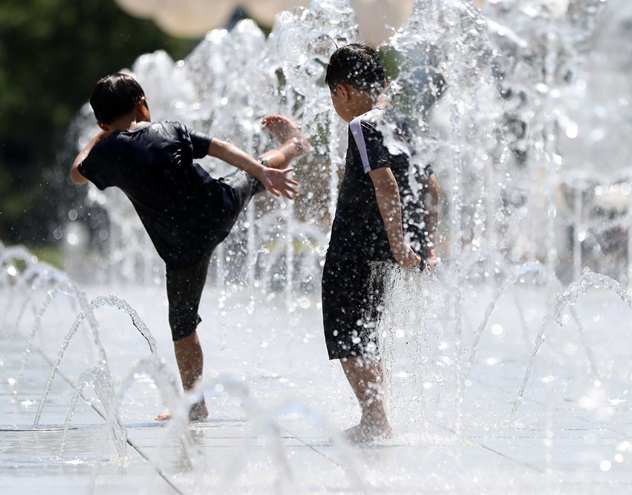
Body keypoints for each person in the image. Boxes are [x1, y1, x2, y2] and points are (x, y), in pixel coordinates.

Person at [70, 73, 311, 421]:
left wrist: (99, 136)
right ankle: (293, 146)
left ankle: (195, 405)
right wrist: (261, 171)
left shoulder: (107, 150)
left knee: (182, 325)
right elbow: (220, 148)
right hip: (218, 208)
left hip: (182, 247)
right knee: (253, 176)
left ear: (102, 122)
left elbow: (76, 172)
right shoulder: (169, 129)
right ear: (142, 104)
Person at [323, 43, 441, 443]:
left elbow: (386, 184)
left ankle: (375, 419)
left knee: (346, 331)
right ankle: (375, 416)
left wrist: (398, 245)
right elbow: (432, 187)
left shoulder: (361, 125)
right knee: (365, 329)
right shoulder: (404, 124)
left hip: (356, 247)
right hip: (382, 249)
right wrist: (425, 243)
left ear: (342, 90)